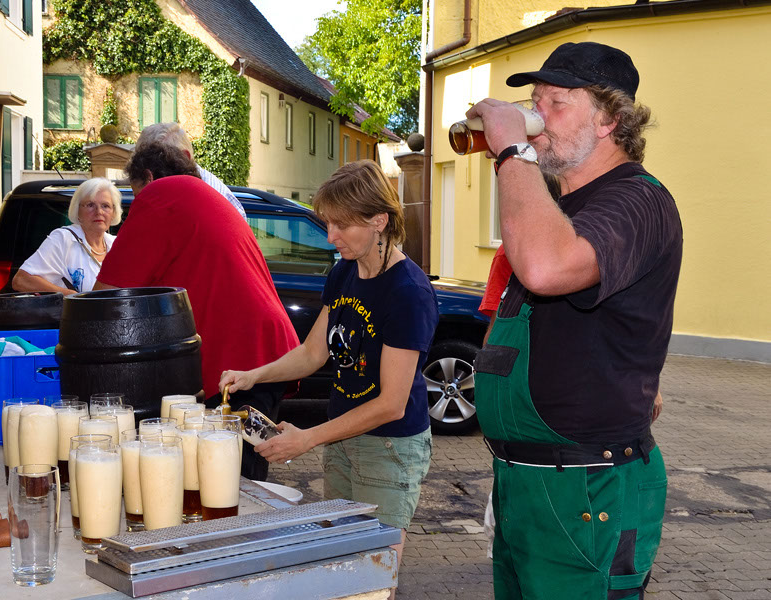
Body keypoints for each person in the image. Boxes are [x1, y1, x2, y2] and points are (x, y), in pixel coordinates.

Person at [466, 42, 683, 599]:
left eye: (555, 103)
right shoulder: (558, 210)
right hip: (527, 483)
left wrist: (513, 149)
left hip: (588, 489)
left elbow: (544, 268)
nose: (537, 117)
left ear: (611, 118)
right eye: (532, 102)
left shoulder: (637, 200)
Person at [218, 160, 439, 590]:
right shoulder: (343, 272)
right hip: (343, 438)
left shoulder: (408, 292)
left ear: (380, 221)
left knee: (373, 578)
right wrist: (253, 376)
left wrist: (308, 438)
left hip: (390, 448)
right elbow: (312, 352)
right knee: (344, 569)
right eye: (328, 223)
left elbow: (391, 403)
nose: (331, 236)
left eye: (341, 225)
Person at [93, 142, 298, 481]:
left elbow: (106, 296)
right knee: (238, 475)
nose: (136, 206)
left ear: (148, 176)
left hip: (240, 360)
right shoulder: (206, 195)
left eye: (135, 194)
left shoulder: (163, 193)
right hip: (267, 352)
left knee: (228, 480)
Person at [13, 177, 121, 294]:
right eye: (90, 205)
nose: (99, 211)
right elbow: (20, 280)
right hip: (70, 313)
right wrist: (70, 295)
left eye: (105, 206)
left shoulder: (117, 244)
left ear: (114, 212)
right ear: (77, 210)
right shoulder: (63, 240)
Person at [136, 122, 246, 220]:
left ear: (184, 157)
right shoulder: (188, 193)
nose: (152, 179)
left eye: (158, 166)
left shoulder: (212, 202)